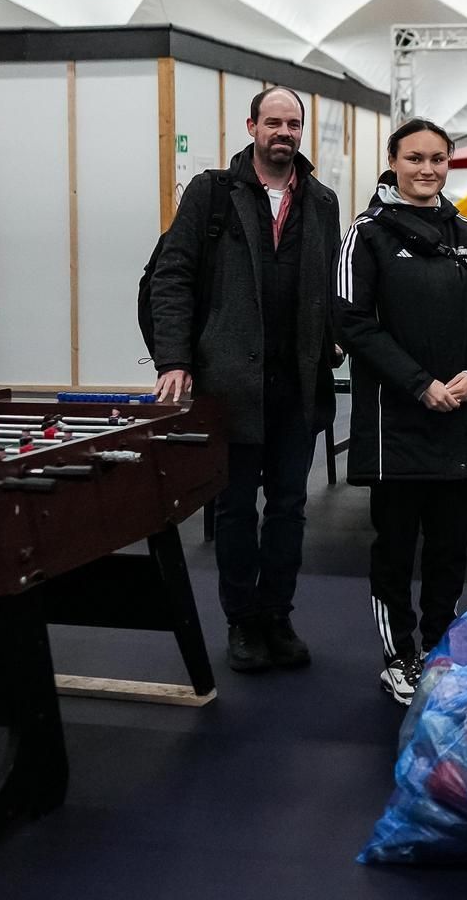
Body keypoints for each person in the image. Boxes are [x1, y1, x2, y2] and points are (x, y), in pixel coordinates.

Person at [149, 86, 340, 674]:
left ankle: (276, 617)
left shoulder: (323, 202)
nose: (284, 133)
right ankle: (240, 623)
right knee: (233, 510)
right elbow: (172, 276)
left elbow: (332, 282)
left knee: (289, 508)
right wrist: (174, 360)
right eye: (274, 123)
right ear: (252, 125)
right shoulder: (212, 193)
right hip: (228, 385)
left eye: (293, 124)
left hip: (298, 386)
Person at [333, 118, 467, 706]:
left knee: (450, 547)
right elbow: (352, 322)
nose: (427, 169)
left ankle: (441, 646)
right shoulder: (367, 233)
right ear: (393, 160)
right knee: (394, 547)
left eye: (437, 159)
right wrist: (419, 383)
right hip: (397, 424)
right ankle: (399, 656)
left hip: (464, 420)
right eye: (415, 158)